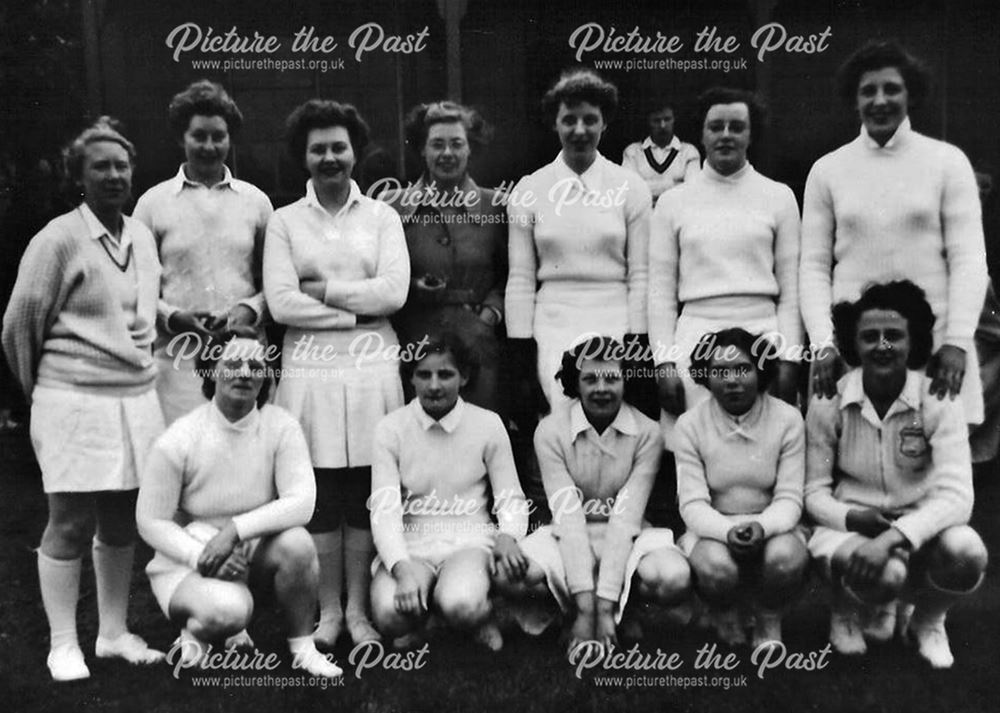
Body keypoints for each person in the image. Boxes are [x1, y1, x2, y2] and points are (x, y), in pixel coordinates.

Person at [1, 118, 164, 681]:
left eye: (121, 165)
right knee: (68, 522)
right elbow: (19, 324)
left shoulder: (140, 234)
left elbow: (140, 310)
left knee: (121, 520)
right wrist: (45, 393)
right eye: (101, 166)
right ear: (79, 176)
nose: (114, 175)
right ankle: (62, 643)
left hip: (136, 398)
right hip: (72, 400)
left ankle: (113, 634)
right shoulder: (57, 238)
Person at [264, 99, 409, 649]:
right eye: (318, 149)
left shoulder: (382, 217)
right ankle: (327, 612)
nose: (330, 158)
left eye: (339, 147)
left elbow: (394, 292)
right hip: (309, 366)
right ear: (303, 156)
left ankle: (359, 611)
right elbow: (280, 303)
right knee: (320, 486)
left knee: (365, 486)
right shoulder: (284, 221)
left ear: (355, 152)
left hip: (373, 363)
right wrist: (356, 310)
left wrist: (320, 290)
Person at [800, 41, 988, 425]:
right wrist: (822, 343)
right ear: (854, 100)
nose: (880, 100)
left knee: (938, 456)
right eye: (868, 91)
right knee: (854, 455)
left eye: (892, 89)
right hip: (853, 342)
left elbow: (968, 258)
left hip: (934, 337)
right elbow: (814, 266)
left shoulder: (947, 162)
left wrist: (956, 341)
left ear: (911, 95)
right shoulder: (827, 170)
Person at [136, 327, 341, 679]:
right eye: (233, 364)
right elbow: (149, 520)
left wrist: (234, 531)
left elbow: (302, 502)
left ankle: (303, 648)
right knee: (228, 613)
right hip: (190, 560)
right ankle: (200, 628)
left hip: (249, 551)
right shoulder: (181, 437)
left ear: (266, 376)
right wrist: (199, 554)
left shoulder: (281, 426)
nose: (244, 373)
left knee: (298, 544)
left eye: (255, 366)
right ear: (211, 370)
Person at [805, 280, 988, 668]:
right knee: (886, 576)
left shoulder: (936, 399)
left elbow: (959, 497)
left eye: (894, 336)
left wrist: (894, 535)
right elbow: (813, 493)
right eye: (869, 337)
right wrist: (852, 518)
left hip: (914, 525)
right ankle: (845, 610)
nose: (882, 347)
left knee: (968, 551)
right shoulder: (831, 400)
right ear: (852, 344)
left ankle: (927, 621)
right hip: (849, 527)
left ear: (914, 341)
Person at [495, 337, 690, 655]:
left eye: (612, 378)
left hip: (630, 532)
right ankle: (573, 613)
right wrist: (587, 608)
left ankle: (621, 613)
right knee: (508, 577)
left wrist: (605, 601)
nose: (602, 388)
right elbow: (568, 517)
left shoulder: (648, 433)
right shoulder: (550, 431)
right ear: (575, 383)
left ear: (626, 380)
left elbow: (626, 518)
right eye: (590, 379)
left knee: (673, 578)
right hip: (568, 532)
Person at [649, 87, 801, 450]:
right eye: (716, 126)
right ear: (701, 134)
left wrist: (790, 358)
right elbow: (659, 292)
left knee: (766, 448)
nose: (726, 135)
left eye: (737, 126)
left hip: (764, 334)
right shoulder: (672, 202)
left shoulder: (778, 196)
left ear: (751, 134)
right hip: (695, 335)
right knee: (694, 449)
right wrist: (664, 362)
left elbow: (792, 291)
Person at [505, 68, 652, 413]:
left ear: (605, 124)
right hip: (553, 323)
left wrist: (638, 342)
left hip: (616, 320)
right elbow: (522, 278)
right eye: (569, 120)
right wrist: (521, 349)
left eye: (591, 119)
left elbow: (641, 275)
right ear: (554, 124)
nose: (580, 130)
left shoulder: (630, 187)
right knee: (560, 416)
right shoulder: (529, 190)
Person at [369, 333, 527, 649]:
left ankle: (477, 613)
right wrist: (401, 570)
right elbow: (384, 511)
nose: (434, 385)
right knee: (389, 616)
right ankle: (437, 619)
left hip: (468, 542)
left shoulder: (488, 424)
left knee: (461, 604)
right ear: (410, 377)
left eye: (445, 374)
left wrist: (509, 535)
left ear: (464, 376)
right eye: (424, 375)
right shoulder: (390, 428)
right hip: (412, 546)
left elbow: (510, 495)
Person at [134, 80, 273, 425]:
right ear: (181, 138)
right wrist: (172, 317)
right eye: (199, 136)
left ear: (230, 138)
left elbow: (279, 281)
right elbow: (134, 285)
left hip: (243, 356)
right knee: (184, 461)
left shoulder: (256, 202)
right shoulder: (152, 204)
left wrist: (249, 310)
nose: (209, 146)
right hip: (176, 360)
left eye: (218, 136)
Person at [674, 328, 808, 647]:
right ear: (705, 375)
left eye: (742, 369)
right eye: (720, 371)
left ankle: (768, 617)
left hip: (772, 525)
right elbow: (692, 504)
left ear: (760, 371)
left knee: (786, 558)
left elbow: (790, 498)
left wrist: (761, 526)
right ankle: (726, 613)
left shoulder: (788, 419)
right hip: (714, 529)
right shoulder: (689, 425)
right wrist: (725, 531)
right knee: (716, 567)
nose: (732, 380)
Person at [382, 102, 507, 415]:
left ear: (470, 148)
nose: (447, 153)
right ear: (422, 150)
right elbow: (378, 272)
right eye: (437, 144)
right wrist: (411, 287)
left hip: (478, 342)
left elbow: (511, 274)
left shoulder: (497, 205)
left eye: (457, 143)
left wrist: (490, 314)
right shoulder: (391, 206)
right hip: (413, 338)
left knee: (478, 435)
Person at [621, 101, 700, 206]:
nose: (662, 125)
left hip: (677, 214)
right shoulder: (633, 152)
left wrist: (645, 186)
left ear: (674, 120)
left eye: (667, 119)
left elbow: (693, 191)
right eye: (656, 121)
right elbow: (629, 190)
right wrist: (675, 184)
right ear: (649, 122)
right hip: (644, 214)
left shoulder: (689, 152)